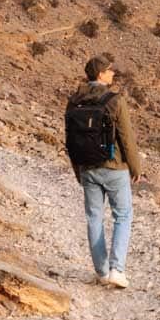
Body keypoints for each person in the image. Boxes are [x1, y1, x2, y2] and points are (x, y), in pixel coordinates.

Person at [64, 54, 143, 288]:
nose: (113, 73)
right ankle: (117, 270)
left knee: (94, 218)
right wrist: (135, 167)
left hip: (87, 167)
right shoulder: (115, 100)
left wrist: (78, 170)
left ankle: (101, 272)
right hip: (114, 167)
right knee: (123, 216)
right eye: (109, 70)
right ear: (100, 74)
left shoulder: (74, 101)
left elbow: (71, 139)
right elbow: (126, 137)